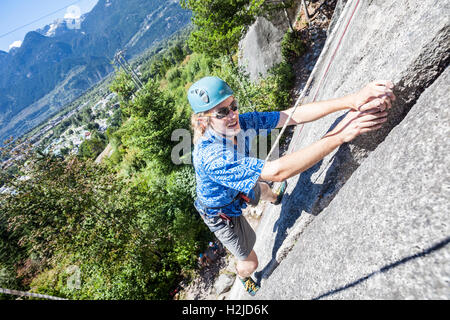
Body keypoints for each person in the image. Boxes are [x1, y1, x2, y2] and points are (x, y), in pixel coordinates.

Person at [188, 76, 395, 296]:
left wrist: (352, 100)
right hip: (222, 213)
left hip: (238, 186)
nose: (232, 115)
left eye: (233, 106)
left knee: (264, 189)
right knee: (251, 263)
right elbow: (278, 171)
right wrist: (340, 135)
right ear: (203, 121)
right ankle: (243, 276)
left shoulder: (240, 123)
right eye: (222, 112)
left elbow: (288, 116)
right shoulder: (210, 157)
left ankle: (275, 198)